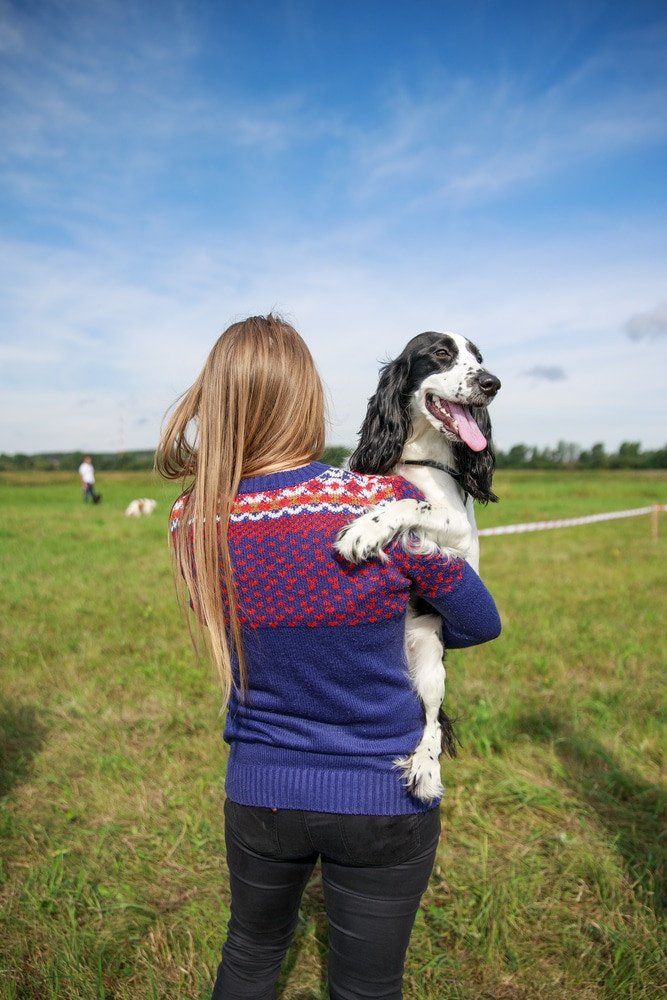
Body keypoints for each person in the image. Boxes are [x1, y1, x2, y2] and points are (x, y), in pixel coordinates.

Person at [154, 314, 501, 1000]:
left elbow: (238, 627)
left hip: (259, 790)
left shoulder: (190, 520)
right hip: (384, 791)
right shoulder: (381, 499)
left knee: (251, 953)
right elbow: (477, 622)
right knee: (366, 986)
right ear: (306, 400)